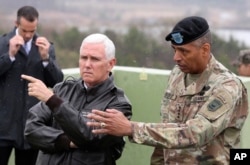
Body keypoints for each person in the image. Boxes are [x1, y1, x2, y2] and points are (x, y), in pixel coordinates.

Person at [86, 16, 249, 164]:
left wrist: (132, 128)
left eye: (184, 51)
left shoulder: (227, 85)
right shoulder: (178, 74)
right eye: (174, 49)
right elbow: (168, 128)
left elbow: (195, 133)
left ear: (205, 50)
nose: (176, 57)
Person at [22, 33, 132, 165]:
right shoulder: (63, 89)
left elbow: (90, 137)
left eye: (95, 59)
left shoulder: (118, 104)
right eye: (83, 58)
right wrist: (66, 141)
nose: (87, 64)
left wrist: (53, 101)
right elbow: (31, 129)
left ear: (111, 64)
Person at [0, 6, 63, 165]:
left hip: (31, 125)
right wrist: (10, 56)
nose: (28, 35)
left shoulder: (45, 47)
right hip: (3, 124)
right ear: (16, 23)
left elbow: (56, 81)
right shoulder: (2, 43)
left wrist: (46, 59)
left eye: (32, 31)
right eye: (24, 31)